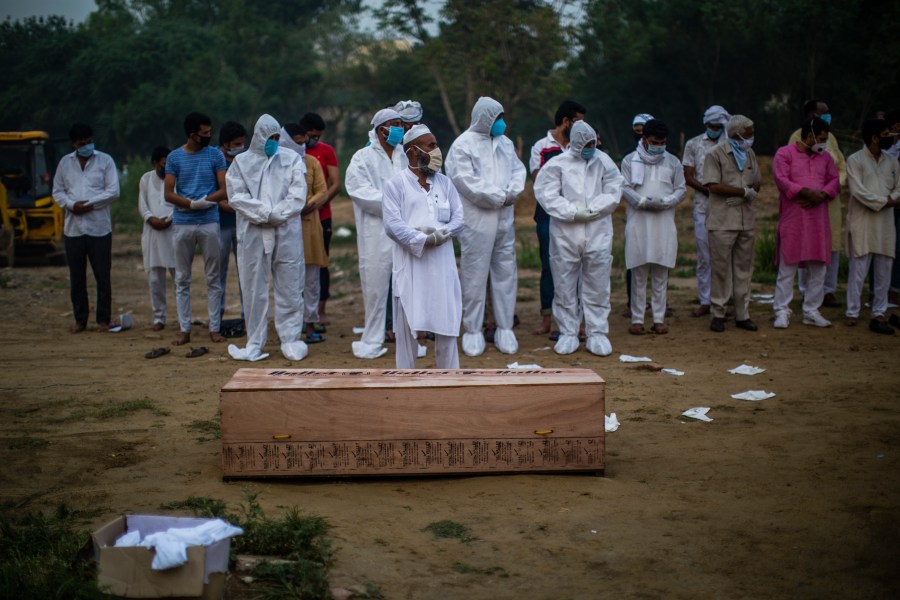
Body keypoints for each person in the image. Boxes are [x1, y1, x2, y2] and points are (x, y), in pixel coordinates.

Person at [445, 96, 526, 356]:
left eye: (501, 117)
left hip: (505, 219)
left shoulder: (505, 143)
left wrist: (513, 192)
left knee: (506, 272)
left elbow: (517, 170)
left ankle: (505, 328)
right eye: (497, 118)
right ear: (485, 119)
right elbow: (465, 182)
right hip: (476, 221)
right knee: (474, 275)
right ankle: (472, 330)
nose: (502, 123)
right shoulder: (462, 146)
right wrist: (499, 196)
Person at [533, 120, 623, 355]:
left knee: (598, 284)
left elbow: (614, 189)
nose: (592, 147)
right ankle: (568, 332)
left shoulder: (603, 162)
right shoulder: (558, 164)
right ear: (577, 142)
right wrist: (573, 212)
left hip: (598, 231)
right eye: (588, 143)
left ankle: (597, 333)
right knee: (564, 284)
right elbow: (546, 193)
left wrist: (594, 209)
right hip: (566, 233)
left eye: (594, 143)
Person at [225, 114, 309, 361]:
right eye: (269, 138)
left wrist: (277, 215)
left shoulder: (291, 159)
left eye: (276, 138)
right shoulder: (241, 162)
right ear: (259, 137)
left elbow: (297, 194)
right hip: (253, 233)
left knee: (290, 285)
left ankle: (291, 338)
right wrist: (264, 213)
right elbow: (236, 196)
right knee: (253, 287)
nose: (273, 142)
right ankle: (254, 342)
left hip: (286, 231)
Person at [383, 124, 465, 368]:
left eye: (436, 144)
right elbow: (392, 225)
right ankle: (405, 379)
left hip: (442, 262)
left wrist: (440, 235)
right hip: (411, 263)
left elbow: (459, 218)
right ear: (412, 150)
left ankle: (449, 377)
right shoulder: (395, 185)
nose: (437, 150)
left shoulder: (445, 183)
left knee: (447, 318)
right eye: (431, 145)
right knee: (407, 319)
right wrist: (421, 239)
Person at [345, 108, 409, 359]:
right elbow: (359, 191)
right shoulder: (362, 158)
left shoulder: (407, 156)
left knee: (407, 285)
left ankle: (408, 337)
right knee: (375, 284)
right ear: (381, 129)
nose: (399, 129)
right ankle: (372, 338)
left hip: (406, 230)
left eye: (401, 125)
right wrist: (395, 204)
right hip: (376, 231)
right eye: (394, 124)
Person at [164, 112, 228, 346]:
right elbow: (168, 193)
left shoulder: (215, 155)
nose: (209, 136)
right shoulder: (174, 157)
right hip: (182, 222)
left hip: (209, 220)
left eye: (209, 132)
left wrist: (205, 202)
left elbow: (224, 188)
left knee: (213, 277)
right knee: (182, 277)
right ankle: (184, 329)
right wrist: (190, 204)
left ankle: (215, 328)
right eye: (204, 133)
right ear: (192, 135)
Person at [771, 117, 840, 329]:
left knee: (819, 267)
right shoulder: (785, 153)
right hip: (794, 218)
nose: (823, 143)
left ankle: (811, 310)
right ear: (809, 136)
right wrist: (803, 192)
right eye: (821, 139)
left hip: (818, 219)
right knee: (788, 266)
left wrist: (822, 195)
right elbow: (781, 179)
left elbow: (834, 180)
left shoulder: (826, 158)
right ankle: (782, 311)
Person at [53, 122, 120, 333]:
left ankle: (103, 319)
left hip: (99, 227)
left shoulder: (105, 161)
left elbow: (113, 191)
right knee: (77, 277)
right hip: (73, 229)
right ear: (74, 144)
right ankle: (80, 320)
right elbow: (57, 191)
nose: (86, 146)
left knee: (102, 275)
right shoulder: (65, 163)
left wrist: (89, 204)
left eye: (89, 141)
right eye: (82, 143)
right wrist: (72, 206)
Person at [621, 119, 686, 335]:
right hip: (639, 222)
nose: (660, 145)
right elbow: (625, 187)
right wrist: (642, 202)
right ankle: (637, 319)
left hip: (664, 222)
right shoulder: (630, 160)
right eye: (655, 142)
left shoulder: (673, 162)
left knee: (661, 272)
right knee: (638, 273)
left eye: (663, 142)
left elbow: (681, 189)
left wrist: (667, 202)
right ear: (645, 139)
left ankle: (659, 319)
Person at [528, 100, 586, 336]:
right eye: (579, 122)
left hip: (576, 215)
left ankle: (578, 321)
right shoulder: (540, 147)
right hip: (547, 215)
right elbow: (537, 179)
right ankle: (547, 319)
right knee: (549, 266)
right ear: (566, 122)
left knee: (579, 266)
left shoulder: (581, 146)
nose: (583, 127)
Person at [702, 114, 762, 333]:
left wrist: (750, 191)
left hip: (746, 219)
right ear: (736, 133)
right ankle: (718, 312)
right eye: (749, 133)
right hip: (722, 220)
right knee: (720, 269)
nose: (752, 137)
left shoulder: (749, 153)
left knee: (744, 269)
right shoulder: (715, 154)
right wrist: (742, 191)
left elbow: (757, 181)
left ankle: (742, 314)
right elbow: (712, 185)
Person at [788, 99, 846, 308]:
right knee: (808, 244)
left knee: (832, 245)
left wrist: (831, 188)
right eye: (824, 112)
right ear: (813, 115)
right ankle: (806, 291)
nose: (828, 115)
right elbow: (794, 170)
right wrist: (813, 193)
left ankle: (828, 290)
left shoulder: (831, 138)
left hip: (829, 200)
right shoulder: (797, 137)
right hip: (809, 201)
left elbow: (841, 167)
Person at [845, 118, 900, 334]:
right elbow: (857, 191)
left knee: (884, 268)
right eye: (886, 135)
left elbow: (899, 187)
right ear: (874, 138)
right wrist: (885, 201)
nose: (890, 139)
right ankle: (852, 312)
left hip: (886, 222)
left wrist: (893, 199)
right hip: (863, 220)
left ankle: (879, 311)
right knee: (858, 269)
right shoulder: (855, 160)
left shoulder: (892, 161)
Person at [281, 122, 329, 343]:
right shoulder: (276, 165)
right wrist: (291, 207)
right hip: (286, 224)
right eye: (297, 142)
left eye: (303, 142)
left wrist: (309, 203)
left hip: (309, 225)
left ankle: (310, 324)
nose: (302, 146)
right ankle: (290, 325)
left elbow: (323, 190)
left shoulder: (311, 162)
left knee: (311, 279)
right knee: (289, 279)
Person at [682, 105, 730, 317]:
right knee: (704, 256)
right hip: (703, 206)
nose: (715, 129)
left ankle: (723, 300)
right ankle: (705, 300)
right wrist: (709, 190)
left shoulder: (730, 144)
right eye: (712, 126)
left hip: (726, 208)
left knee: (724, 255)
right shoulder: (693, 144)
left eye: (719, 126)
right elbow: (689, 176)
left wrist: (722, 191)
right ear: (706, 125)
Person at [300, 112, 340, 325]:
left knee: (321, 262)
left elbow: (335, 182)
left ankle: (320, 310)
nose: (314, 139)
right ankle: (301, 311)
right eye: (311, 135)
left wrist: (321, 201)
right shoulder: (293, 152)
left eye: (318, 135)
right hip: (297, 218)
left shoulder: (326, 151)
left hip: (321, 215)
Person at [138, 146, 175, 331]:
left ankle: (185, 318)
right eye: (163, 163)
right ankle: (159, 318)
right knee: (155, 280)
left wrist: (169, 220)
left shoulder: (176, 178)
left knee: (179, 278)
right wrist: (151, 218)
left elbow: (180, 201)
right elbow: (142, 204)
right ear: (155, 163)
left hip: (172, 231)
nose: (166, 166)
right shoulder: (146, 179)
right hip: (153, 232)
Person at [216, 121, 247, 318]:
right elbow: (217, 194)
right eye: (236, 143)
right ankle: (217, 313)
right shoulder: (214, 158)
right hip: (220, 223)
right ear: (225, 143)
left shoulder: (244, 159)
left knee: (245, 270)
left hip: (241, 222)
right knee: (219, 272)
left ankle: (247, 313)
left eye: (242, 143)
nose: (240, 147)